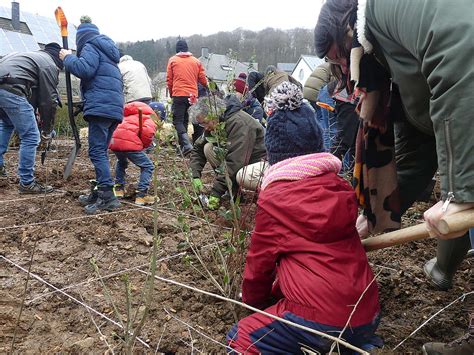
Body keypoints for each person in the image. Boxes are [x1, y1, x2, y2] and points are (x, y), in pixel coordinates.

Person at [314, 0, 473, 353]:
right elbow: (418, 149)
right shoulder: (391, 64)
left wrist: (460, 192)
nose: (343, 71)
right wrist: (372, 216)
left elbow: (463, 48)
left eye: (339, 59)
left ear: (348, 32)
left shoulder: (388, 9)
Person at [227, 82, 381, 353]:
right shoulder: (341, 189)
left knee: (241, 339)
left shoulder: (275, 201)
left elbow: (258, 269)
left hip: (319, 321)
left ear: (276, 157)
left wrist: (255, 308)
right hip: (367, 313)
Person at [60, 16, 124, 214]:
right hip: (113, 109)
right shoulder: (108, 53)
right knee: (101, 152)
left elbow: (85, 70)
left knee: (96, 152)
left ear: (81, 38)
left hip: (100, 108)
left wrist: (67, 58)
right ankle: (98, 191)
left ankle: (107, 197)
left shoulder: (90, 46)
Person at [0, 42, 63, 194]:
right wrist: (47, 131)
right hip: (12, 88)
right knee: (30, 136)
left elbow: (33, 99)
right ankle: (27, 183)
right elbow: (48, 101)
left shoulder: (29, 57)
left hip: (5, 85)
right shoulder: (49, 65)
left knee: (7, 124)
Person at [188, 95, 266, 210]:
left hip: (258, 164)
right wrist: (195, 176)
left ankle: (257, 194)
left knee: (242, 176)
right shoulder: (216, 123)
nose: (205, 128)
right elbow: (198, 149)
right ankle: (232, 190)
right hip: (242, 160)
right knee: (208, 148)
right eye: (201, 125)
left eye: (205, 123)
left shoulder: (238, 123)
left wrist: (216, 192)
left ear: (213, 114)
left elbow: (234, 162)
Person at [109, 101, 157, 205]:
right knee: (148, 166)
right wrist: (143, 145)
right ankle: (142, 195)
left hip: (115, 143)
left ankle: (118, 189)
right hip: (130, 144)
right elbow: (148, 134)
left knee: (121, 162)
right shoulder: (148, 118)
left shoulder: (126, 117)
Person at [166, 38, 208, 155]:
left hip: (178, 94)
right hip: (192, 96)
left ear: (177, 50)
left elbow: (169, 80)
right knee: (195, 120)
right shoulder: (196, 61)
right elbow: (203, 79)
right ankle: (195, 147)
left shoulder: (173, 60)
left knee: (178, 121)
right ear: (187, 49)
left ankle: (186, 144)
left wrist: (171, 93)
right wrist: (208, 87)